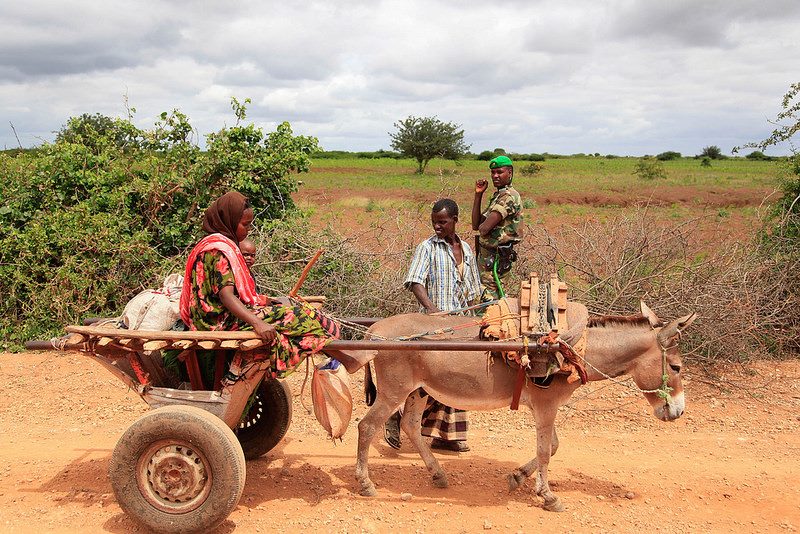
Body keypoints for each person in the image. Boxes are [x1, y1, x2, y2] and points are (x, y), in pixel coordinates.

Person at [178, 191, 338, 379]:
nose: (249, 229)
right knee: (292, 315)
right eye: (245, 224)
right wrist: (257, 323)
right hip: (217, 322)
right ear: (228, 221)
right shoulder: (217, 251)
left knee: (288, 309)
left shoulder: (219, 246)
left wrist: (265, 302)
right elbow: (226, 296)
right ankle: (343, 354)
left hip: (221, 317)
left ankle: (338, 353)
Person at [384, 198, 481, 453]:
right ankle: (393, 413)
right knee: (423, 378)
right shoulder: (427, 248)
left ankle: (446, 436)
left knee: (455, 379)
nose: (437, 227)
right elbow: (415, 282)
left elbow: (473, 290)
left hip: (458, 326)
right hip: (432, 327)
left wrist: (474, 319)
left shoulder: (467, 251)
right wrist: (431, 310)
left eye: (442, 222)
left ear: (455, 221)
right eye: (434, 222)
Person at [471, 155, 523, 301]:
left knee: (489, 302)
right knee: (486, 298)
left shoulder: (509, 196)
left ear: (510, 173)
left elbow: (484, 229)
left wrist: (483, 227)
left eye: (499, 172)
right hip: (488, 258)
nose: (495, 176)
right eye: (493, 173)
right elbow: (476, 225)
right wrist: (478, 195)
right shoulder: (498, 196)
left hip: (495, 259)